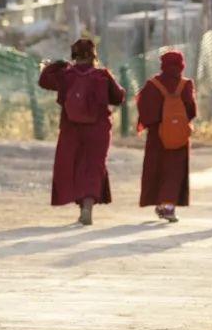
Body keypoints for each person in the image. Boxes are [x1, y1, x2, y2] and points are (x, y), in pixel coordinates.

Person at [38, 38, 126, 225]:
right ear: (94, 55)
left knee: (75, 166)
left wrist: (56, 65)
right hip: (98, 130)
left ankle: (81, 207)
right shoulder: (102, 75)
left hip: (71, 129)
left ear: (74, 55)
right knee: (93, 167)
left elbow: (43, 81)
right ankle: (88, 205)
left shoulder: (66, 75)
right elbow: (119, 97)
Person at [137, 50, 197, 223]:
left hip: (157, 136)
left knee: (157, 169)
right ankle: (169, 206)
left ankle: (160, 203)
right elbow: (192, 111)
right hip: (179, 137)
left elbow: (145, 112)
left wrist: (158, 124)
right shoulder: (185, 85)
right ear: (181, 65)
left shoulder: (152, 84)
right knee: (175, 171)